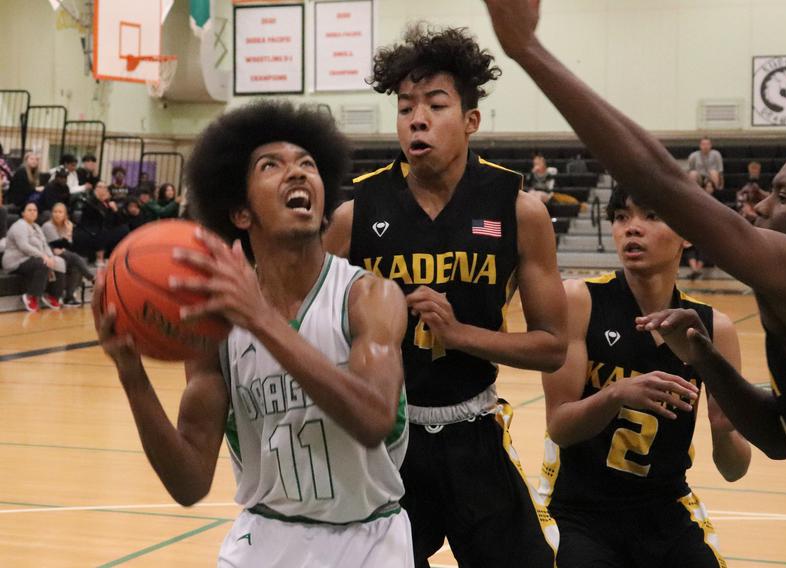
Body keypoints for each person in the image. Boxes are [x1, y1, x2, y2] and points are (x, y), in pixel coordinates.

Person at [483, 2, 786, 566]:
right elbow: (783, 437)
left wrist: (526, 49)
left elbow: (660, 180)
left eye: (784, 196)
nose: (757, 206)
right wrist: (705, 359)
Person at [94, 100, 414, 567]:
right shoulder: (215, 325)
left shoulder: (368, 297)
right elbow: (189, 484)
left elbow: (372, 420)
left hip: (367, 540)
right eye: (272, 165)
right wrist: (132, 377)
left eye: (308, 164)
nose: (297, 173)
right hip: (263, 539)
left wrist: (260, 320)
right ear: (241, 213)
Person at [324, 25, 566, 568]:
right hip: (386, 447)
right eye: (405, 106)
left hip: (476, 434)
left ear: (471, 120)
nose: (417, 118)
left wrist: (462, 337)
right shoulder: (354, 215)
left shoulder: (519, 210)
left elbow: (553, 346)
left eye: (435, 104)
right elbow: (314, 334)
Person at [538, 185, 751, 567]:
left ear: (687, 234)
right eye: (621, 217)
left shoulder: (714, 328)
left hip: (666, 508)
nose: (632, 228)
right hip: (579, 511)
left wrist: (723, 427)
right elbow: (560, 426)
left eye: (651, 216)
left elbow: (734, 470)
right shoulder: (580, 300)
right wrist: (616, 394)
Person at [2, 202, 65, 312]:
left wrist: (50, 257)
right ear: (23, 213)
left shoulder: (36, 227)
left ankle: (53, 296)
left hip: (32, 258)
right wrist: (43, 257)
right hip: (16, 261)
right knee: (42, 263)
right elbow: (24, 246)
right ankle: (31, 296)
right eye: (29, 210)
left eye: (35, 210)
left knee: (59, 262)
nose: (32, 212)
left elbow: (45, 244)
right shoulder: (19, 226)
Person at [42, 202, 94, 307]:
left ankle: (69, 297)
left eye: (60, 212)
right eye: (55, 212)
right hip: (48, 254)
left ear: (65, 215)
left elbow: (70, 247)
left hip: (65, 255)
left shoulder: (67, 225)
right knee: (76, 258)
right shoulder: (47, 226)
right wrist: (68, 234)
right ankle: (92, 278)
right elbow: (56, 244)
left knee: (76, 264)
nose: (57, 214)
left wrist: (68, 235)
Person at [72, 181, 128, 266]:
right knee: (102, 231)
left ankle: (115, 257)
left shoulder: (109, 203)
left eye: (105, 188)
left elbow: (119, 221)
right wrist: (99, 200)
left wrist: (115, 210)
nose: (102, 190)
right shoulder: (90, 201)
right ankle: (99, 258)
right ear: (95, 189)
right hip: (91, 229)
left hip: (106, 228)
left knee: (124, 229)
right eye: (100, 187)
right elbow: (97, 217)